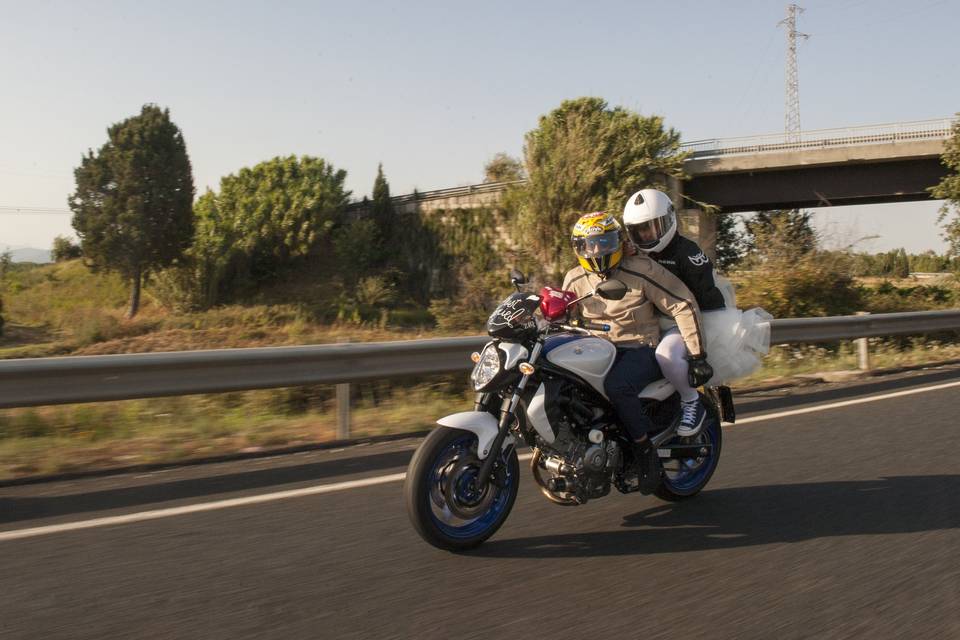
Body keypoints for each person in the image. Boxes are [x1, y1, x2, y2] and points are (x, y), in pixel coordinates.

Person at [563, 211, 714, 494]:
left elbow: (682, 304)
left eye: (605, 242)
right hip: (596, 351)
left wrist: (697, 354)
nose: (597, 250)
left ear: (619, 242)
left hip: (640, 347)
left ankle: (645, 454)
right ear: (579, 247)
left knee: (617, 386)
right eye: (590, 244)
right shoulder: (574, 278)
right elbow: (561, 316)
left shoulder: (640, 269)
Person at [622, 189, 725, 438]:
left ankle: (692, 402)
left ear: (668, 221)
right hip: (651, 320)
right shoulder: (633, 253)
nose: (646, 235)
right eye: (639, 230)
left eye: (651, 228)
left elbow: (707, 299)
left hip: (684, 319)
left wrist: (700, 347)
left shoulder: (688, 255)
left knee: (666, 354)